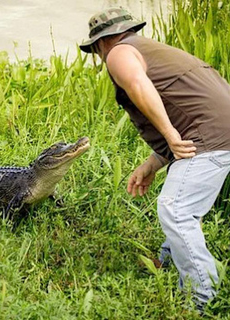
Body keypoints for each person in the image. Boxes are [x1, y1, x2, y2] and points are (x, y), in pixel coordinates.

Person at [79, 7, 230, 310]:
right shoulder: (153, 50)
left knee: (176, 209)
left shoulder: (119, 53)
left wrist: (171, 135)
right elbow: (187, 108)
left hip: (210, 138)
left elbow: (138, 86)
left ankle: (202, 300)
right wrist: (154, 161)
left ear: (100, 43)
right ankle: (168, 263)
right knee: (184, 203)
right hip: (217, 132)